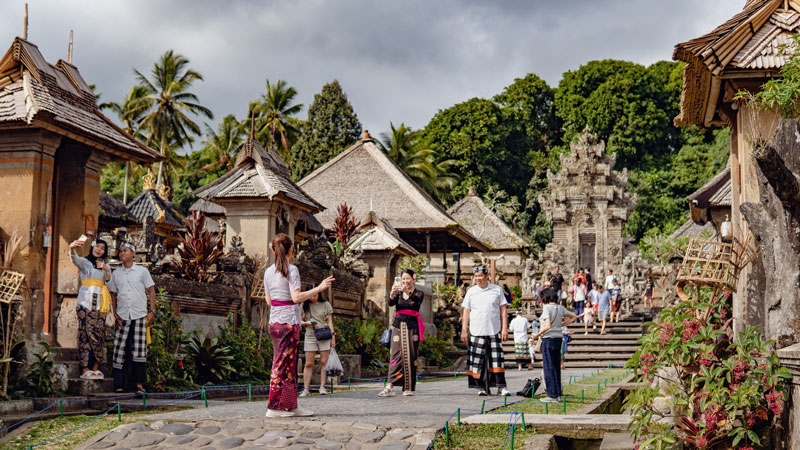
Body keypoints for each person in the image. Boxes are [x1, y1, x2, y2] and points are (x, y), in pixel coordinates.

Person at [263, 233, 334, 418]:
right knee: (282, 364)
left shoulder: (268, 271)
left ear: (273, 250)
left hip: (275, 322)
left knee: (286, 364)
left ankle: (290, 404)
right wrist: (318, 288)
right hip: (288, 322)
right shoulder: (291, 270)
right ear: (292, 249)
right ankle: (274, 407)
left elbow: (269, 301)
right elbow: (295, 298)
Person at [109, 242, 155, 394]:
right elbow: (113, 295)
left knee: (139, 350)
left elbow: (151, 291)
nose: (122, 253)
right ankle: (119, 384)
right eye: (120, 251)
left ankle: (139, 384)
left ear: (133, 253)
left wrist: (152, 311)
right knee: (120, 349)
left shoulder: (142, 271)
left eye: (125, 251)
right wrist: (114, 313)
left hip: (139, 314)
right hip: (122, 315)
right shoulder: (116, 274)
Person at [461, 265, 510, 396]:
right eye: (476, 276)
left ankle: (501, 387)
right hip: (477, 330)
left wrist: (505, 328)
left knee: (497, 359)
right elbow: (466, 311)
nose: (478, 278)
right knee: (478, 360)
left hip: (494, 329)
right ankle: (481, 387)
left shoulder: (496, 289)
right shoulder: (471, 291)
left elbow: (503, 309)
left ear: (487, 276)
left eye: (480, 276)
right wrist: (464, 330)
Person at [69, 237, 111, 380]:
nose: (99, 250)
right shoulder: (85, 263)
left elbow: (109, 280)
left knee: (98, 335)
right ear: (92, 247)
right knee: (85, 335)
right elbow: (74, 259)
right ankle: (85, 368)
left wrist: (105, 269)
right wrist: (72, 247)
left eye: (102, 248)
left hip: (100, 305)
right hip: (85, 304)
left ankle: (96, 368)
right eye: (97, 246)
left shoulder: (106, 266)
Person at [380, 269, 425, 397]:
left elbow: (416, 302)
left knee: (410, 355)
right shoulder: (399, 293)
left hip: (412, 326)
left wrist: (407, 292)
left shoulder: (419, 293)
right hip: (398, 325)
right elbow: (390, 303)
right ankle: (390, 385)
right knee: (395, 355)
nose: (405, 281)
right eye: (403, 279)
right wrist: (393, 293)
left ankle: (408, 386)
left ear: (413, 278)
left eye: (407, 278)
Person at [530, 288, 576, 402]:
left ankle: (552, 395)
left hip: (548, 339)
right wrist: (561, 325)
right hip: (558, 339)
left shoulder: (546, 308)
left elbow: (548, 326)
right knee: (556, 367)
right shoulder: (560, 307)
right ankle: (557, 393)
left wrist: (537, 335)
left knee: (548, 367)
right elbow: (574, 316)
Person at [299, 283, 335, 398]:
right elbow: (299, 321)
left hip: (324, 334)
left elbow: (330, 322)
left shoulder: (326, 304)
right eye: (310, 295)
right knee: (309, 363)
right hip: (310, 335)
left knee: (324, 362)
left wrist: (332, 337)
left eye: (315, 295)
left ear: (319, 293)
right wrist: (307, 323)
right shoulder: (304, 305)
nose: (312, 297)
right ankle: (306, 389)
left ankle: (322, 387)